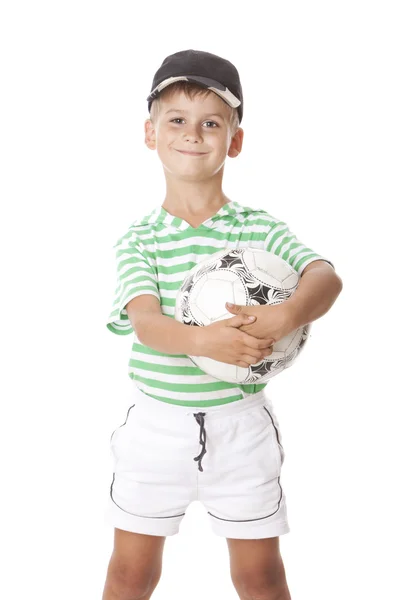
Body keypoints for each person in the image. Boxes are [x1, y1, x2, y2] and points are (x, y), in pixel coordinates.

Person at [101, 49, 343, 600]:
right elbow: (146, 324)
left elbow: (325, 277)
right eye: (177, 120)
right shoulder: (140, 240)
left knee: (259, 576)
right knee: (129, 573)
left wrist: (286, 314)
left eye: (212, 122)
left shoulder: (259, 229)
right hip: (156, 430)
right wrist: (204, 341)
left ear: (234, 141)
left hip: (242, 428)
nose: (193, 133)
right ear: (150, 133)